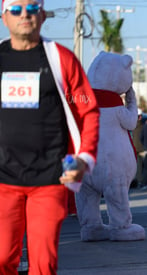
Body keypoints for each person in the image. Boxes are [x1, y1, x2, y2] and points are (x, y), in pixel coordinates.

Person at [0, 0, 100, 273]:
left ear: (42, 15)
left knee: (43, 264)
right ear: (4, 17)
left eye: (32, 8)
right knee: (1, 259)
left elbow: (88, 110)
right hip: (2, 181)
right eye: (16, 9)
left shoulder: (61, 58)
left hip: (49, 179)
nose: (25, 15)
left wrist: (84, 157)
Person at [131, 108, 144, 188]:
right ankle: (139, 181)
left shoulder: (128, 125)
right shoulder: (142, 126)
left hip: (130, 148)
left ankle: (132, 181)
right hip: (140, 149)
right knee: (139, 167)